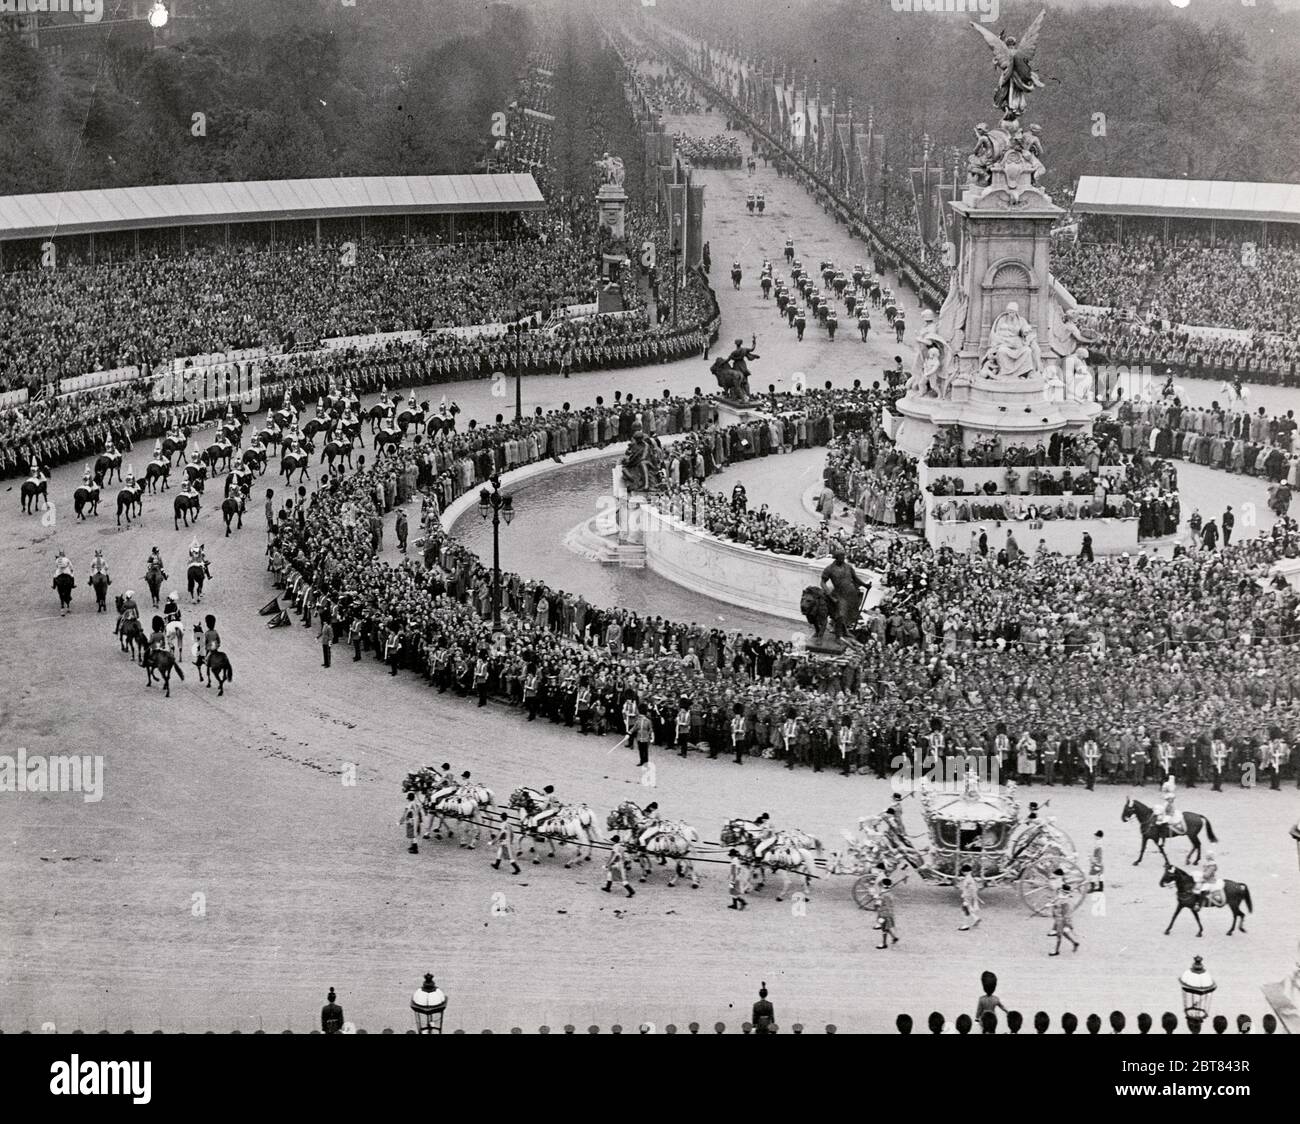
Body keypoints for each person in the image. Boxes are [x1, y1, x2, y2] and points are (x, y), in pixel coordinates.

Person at [1049, 877, 1080, 954]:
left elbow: (1066, 916)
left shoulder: (1066, 903)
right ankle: (1074, 943)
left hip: (1061, 921)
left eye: (1064, 893)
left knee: (1059, 936)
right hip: (1057, 919)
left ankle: (1056, 951)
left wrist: (1068, 926)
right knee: (1063, 934)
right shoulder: (1060, 898)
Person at [876, 878, 899, 949]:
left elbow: (878, 904)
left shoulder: (882, 895)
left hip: (883, 913)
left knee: (884, 929)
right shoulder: (890, 893)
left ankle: (884, 943)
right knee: (886, 927)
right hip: (890, 913)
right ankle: (893, 937)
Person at [958, 864, 982, 930]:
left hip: (967, 896)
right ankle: (975, 918)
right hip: (969, 896)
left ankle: (966, 924)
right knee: (966, 908)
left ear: (965, 872)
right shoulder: (970, 879)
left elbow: (969, 888)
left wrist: (964, 894)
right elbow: (973, 889)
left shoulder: (968, 879)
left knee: (966, 909)